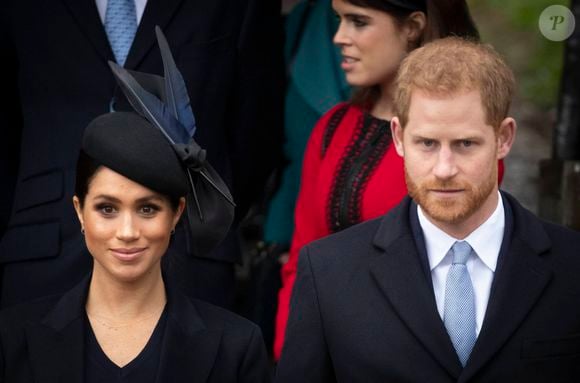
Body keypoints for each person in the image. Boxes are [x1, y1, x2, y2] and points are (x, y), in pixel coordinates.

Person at [275, 37, 580, 382]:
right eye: (427, 143)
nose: (444, 168)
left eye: (465, 144)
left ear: (504, 138)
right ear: (399, 138)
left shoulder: (573, 266)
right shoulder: (327, 273)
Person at [0, 29, 269, 383]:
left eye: (147, 209)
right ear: (80, 211)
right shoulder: (11, 339)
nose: (127, 233)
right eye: (107, 209)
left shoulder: (236, 346)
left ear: (177, 213)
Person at [273, 0, 505, 359]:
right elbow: (300, 263)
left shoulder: (462, 147)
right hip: (327, 353)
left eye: (359, 22)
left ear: (412, 26)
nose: (339, 37)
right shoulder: (333, 127)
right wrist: (291, 357)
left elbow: (454, 277)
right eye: (340, 20)